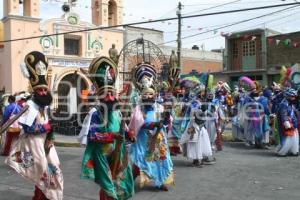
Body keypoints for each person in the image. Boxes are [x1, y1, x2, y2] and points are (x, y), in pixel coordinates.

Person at [5, 51, 63, 200]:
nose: (43, 92)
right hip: (32, 142)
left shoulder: (46, 105)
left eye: (45, 89)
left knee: (55, 166)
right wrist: (45, 128)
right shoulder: (30, 105)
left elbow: (49, 123)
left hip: (46, 141)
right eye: (40, 90)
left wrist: (50, 135)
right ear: (34, 90)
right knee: (42, 168)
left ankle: (45, 196)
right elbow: (27, 128)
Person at [80, 56, 135, 200]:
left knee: (122, 183)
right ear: (100, 96)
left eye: (112, 94)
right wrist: (112, 136)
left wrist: (130, 134)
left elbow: (125, 129)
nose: (110, 98)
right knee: (108, 186)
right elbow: (92, 135)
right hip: (102, 155)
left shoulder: (117, 112)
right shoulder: (95, 113)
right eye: (106, 94)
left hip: (119, 151)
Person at [128, 63, 174, 191]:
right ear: (142, 96)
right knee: (139, 162)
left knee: (160, 160)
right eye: (145, 94)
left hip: (158, 139)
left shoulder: (160, 107)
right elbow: (138, 124)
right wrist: (153, 124)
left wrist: (166, 118)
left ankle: (160, 182)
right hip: (144, 139)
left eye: (150, 94)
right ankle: (129, 181)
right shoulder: (139, 108)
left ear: (154, 95)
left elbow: (167, 122)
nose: (148, 96)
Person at [276, 88, 299, 156]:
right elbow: (283, 114)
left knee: (294, 137)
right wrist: (286, 122)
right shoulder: (284, 104)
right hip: (286, 124)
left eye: (294, 96)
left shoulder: (290, 104)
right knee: (286, 137)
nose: (294, 98)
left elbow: (293, 113)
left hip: (293, 124)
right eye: (292, 96)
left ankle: (293, 150)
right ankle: (283, 151)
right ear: (288, 96)